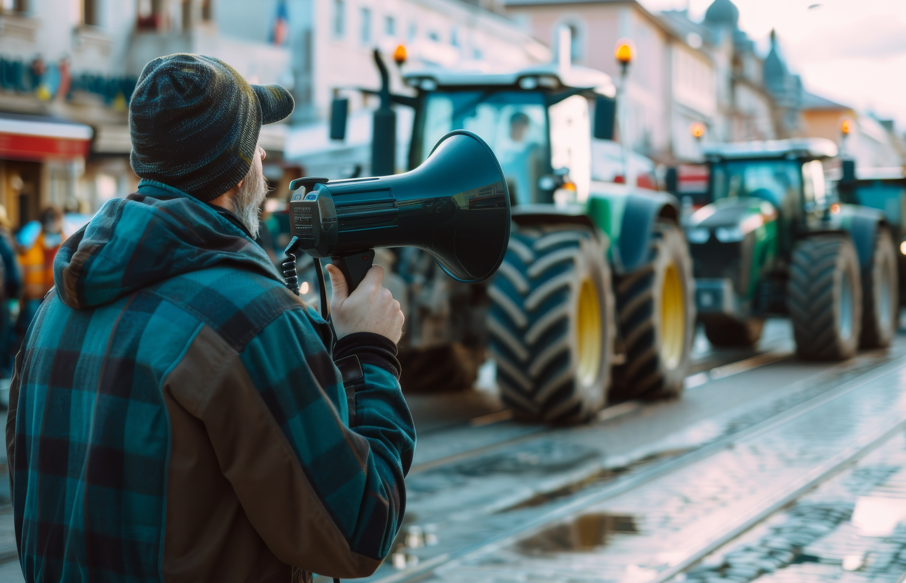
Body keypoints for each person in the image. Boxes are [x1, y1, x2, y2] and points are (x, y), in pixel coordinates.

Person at [6, 54, 414, 582]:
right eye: (255, 143)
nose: (264, 155)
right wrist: (369, 352)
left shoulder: (56, 309)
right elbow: (360, 528)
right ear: (239, 169)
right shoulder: (251, 321)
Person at [14, 205, 63, 337]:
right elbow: (21, 268)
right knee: (32, 334)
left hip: (57, 297)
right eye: (50, 220)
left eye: (55, 220)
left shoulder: (67, 242)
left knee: (52, 334)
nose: (53, 223)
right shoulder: (31, 243)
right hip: (34, 297)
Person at [0, 205, 21, 377]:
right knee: (4, 336)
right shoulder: (4, 240)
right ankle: (4, 372)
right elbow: (13, 274)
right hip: (3, 298)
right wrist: (14, 296)